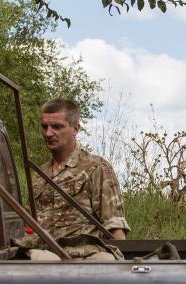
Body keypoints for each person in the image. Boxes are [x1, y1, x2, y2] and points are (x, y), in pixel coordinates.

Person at [27, 98, 129, 261]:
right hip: (46, 255)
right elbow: (29, 225)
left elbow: (114, 223)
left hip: (87, 254)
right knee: (36, 260)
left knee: (105, 262)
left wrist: (121, 268)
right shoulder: (38, 174)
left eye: (57, 127)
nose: (48, 133)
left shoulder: (97, 167)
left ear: (75, 129)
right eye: (44, 127)